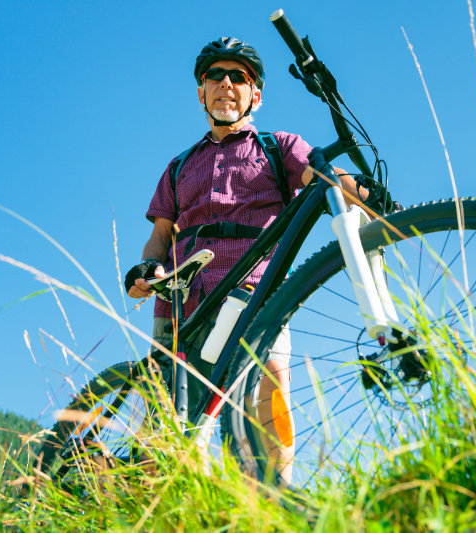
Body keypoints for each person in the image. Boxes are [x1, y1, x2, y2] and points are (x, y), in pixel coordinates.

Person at [124, 37, 365, 483]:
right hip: (181, 299)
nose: (226, 83)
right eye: (214, 76)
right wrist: (146, 270)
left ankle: (272, 504)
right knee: (163, 427)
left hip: (256, 290)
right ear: (201, 93)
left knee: (269, 393)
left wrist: (365, 197)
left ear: (256, 94)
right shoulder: (178, 167)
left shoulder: (279, 146)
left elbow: (326, 175)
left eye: (240, 76)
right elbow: (159, 237)